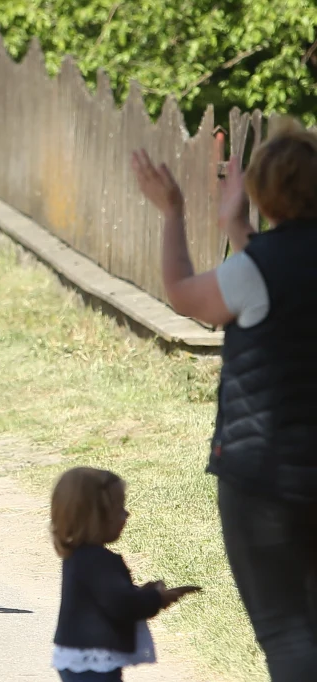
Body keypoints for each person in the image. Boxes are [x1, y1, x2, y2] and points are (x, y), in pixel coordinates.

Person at [132, 119, 317, 681]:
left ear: (265, 192)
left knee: (288, 634)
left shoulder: (257, 269)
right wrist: (236, 226)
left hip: (262, 478)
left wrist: (173, 215)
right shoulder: (266, 263)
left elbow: (185, 292)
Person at [50, 467, 199, 681]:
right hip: (94, 660)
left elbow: (107, 597)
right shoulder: (98, 561)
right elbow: (121, 604)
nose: (126, 514)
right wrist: (158, 597)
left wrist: (142, 593)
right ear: (96, 517)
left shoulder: (78, 557)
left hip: (78, 656)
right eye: (119, 509)